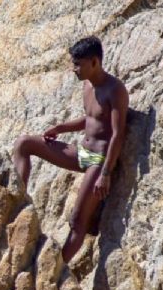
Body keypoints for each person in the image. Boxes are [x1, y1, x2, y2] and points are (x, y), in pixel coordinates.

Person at [11, 36, 129, 263]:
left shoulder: (115, 90)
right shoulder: (87, 85)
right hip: (82, 153)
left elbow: (117, 134)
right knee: (24, 143)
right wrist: (61, 128)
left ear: (94, 62)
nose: (73, 69)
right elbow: (92, 119)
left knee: (77, 221)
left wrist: (105, 173)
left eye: (78, 64)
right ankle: (17, 200)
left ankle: (55, 269)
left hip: (99, 161)